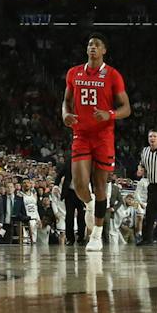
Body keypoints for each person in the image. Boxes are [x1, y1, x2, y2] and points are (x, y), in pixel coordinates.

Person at [62, 35, 131, 252]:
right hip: (81, 133)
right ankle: (90, 205)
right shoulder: (74, 73)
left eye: (97, 45)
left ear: (104, 51)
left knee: (100, 186)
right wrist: (65, 114)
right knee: (80, 184)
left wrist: (109, 114)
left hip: (103, 136)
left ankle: (97, 235)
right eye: (90, 44)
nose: (92, 47)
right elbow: (66, 101)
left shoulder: (112, 75)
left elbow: (126, 108)